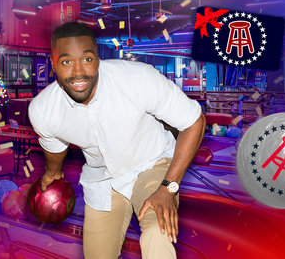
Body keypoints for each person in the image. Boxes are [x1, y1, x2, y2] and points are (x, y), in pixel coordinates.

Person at [28, 22, 205, 259]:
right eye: (67, 61)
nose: (78, 71)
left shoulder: (138, 79)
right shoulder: (43, 110)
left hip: (151, 164)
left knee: (156, 233)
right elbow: (54, 146)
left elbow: (194, 121)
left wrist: (169, 187)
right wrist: (52, 172)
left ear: (98, 58)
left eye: (87, 59)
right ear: (53, 64)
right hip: (102, 179)